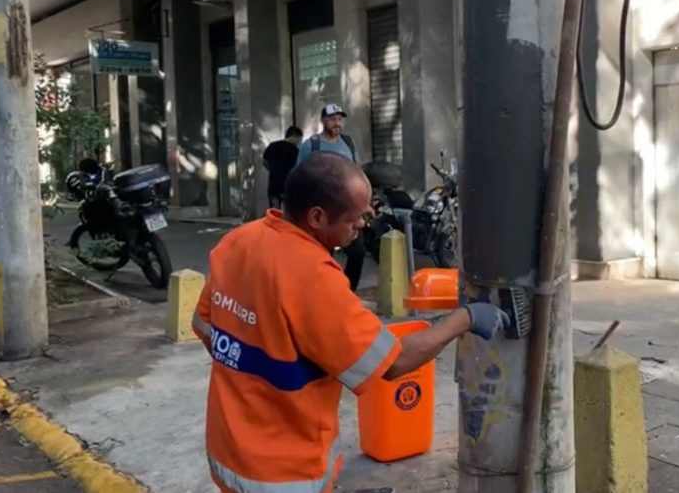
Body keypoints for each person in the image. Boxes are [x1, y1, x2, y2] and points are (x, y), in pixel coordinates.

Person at [192, 152, 509, 493]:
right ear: (317, 216)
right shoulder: (312, 276)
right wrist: (466, 317)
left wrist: (258, 366)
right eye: (355, 218)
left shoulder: (240, 240)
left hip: (227, 452)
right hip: (284, 473)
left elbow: (204, 325)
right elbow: (393, 361)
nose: (363, 224)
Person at [296, 103, 364, 290]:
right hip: (322, 209)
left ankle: (348, 293)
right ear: (323, 121)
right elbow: (299, 176)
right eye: (333, 119)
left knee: (357, 251)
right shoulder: (312, 145)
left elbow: (358, 172)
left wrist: (366, 203)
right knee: (323, 254)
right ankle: (321, 293)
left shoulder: (348, 143)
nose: (337, 123)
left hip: (347, 208)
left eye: (340, 119)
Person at [262, 126, 303, 209]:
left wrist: (272, 170)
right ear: (295, 137)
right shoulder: (295, 151)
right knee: (288, 211)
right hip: (288, 185)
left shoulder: (272, 146)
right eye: (299, 139)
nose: (299, 142)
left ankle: (274, 221)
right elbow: (298, 167)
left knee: (274, 210)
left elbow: (265, 162)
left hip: (273, 184)